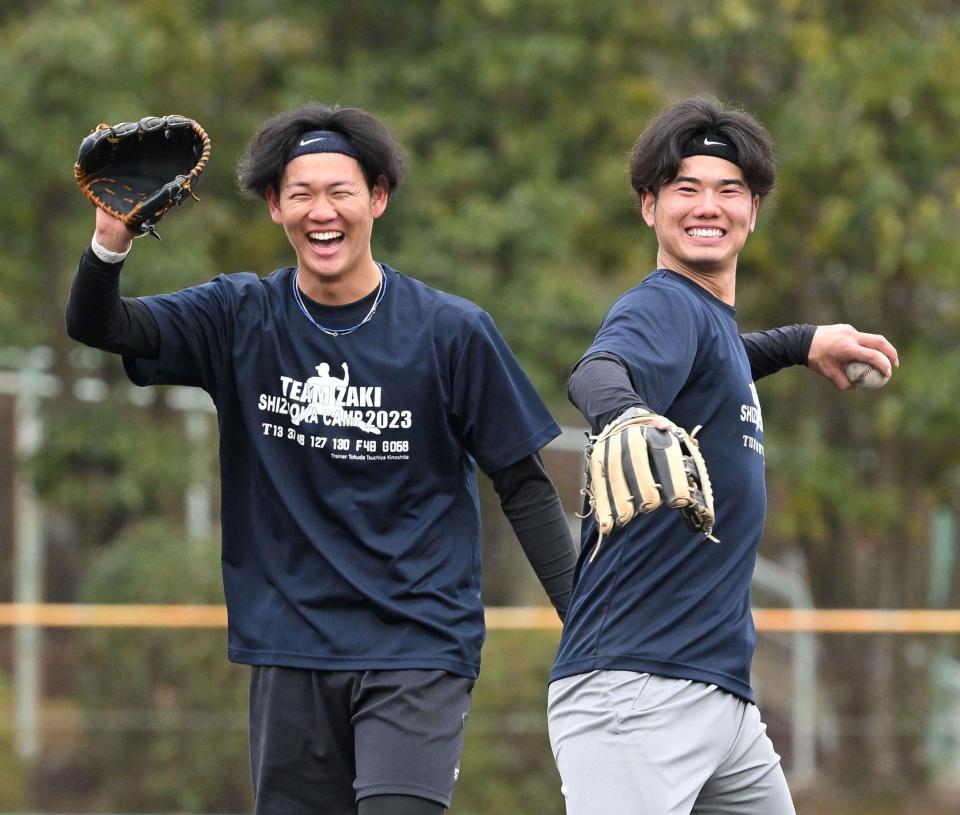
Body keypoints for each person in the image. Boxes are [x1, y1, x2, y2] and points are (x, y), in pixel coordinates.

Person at [65, 104, 581, 815]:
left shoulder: (450, 332)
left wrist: (590, 623)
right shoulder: (240, 317)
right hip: (291, 646)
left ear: (378, 197)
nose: (322, 211)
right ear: (275, 205)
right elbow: (99, 324)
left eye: (341, 191)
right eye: (301, 193)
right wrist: (111, 239)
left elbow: (523, 484)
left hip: (416, 644)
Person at [547, 97, 898, 815]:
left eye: (729, 189)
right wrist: (627, 415)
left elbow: (725, 357)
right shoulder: (666, 304)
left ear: (753, 210)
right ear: (649, 206)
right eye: (686, 188)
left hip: (720, 699)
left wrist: (801, 342)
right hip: (639, 691)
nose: (708, 206)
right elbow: (600, 369)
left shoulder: (706, 323)